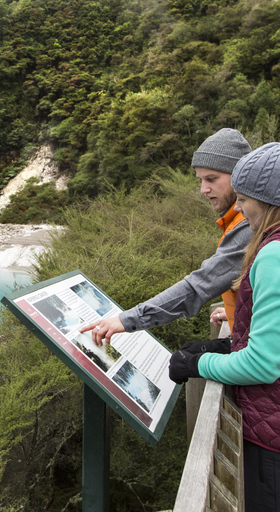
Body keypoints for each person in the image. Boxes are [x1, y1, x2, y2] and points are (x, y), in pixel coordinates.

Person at [169, 142, 280, 511]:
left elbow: (263, 365)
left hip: (271, 440)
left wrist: (196, 364)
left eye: (245, 199)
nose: (241, 210)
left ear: (264, 201)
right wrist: (232, 342)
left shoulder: (273, 254)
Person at [82, 128, 252, 346]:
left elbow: (198, 287)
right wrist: (234, 311)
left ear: (241, 177)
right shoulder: (237, 220)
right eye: (200, 180)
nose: (203, 189)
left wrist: (127, 320)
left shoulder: (248, 225)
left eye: (211, 178)